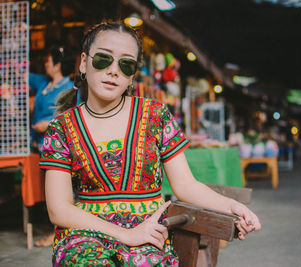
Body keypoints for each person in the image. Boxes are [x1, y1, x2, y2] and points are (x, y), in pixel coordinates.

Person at [40, 22, 261, 266]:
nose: (114, 71)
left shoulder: (155, 115)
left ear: (132, 74)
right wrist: (126, 234)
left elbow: (186, 185)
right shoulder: (61, 127)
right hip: (85, 234)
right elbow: (59, 210)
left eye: (126, 64)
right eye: (103, 59)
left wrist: (232, 206)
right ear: (83, 62)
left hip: (149, 230)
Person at [29, 47, 76, 247]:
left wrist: (48, 124)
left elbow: (74, 114)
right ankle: (58, 231)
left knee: (62, 191)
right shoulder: (44, 84)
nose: (45, 64)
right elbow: (21, 74)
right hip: (40, 145)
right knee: (50, 190)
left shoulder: (71, 87)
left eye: (48, 60)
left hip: (60, 145)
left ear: (58, 64)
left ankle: (60, 233)